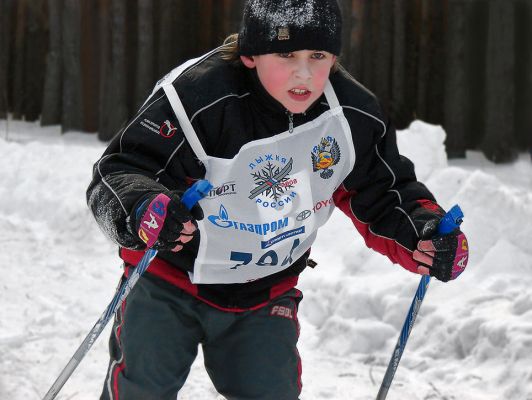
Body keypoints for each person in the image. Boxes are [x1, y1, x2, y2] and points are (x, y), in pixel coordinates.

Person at [87, 0, 469, 399]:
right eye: (286, 54)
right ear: (251, 54)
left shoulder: (350, 115)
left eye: (318, 56)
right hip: (168, 279)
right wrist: (145, 207)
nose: (303, 73)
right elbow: (119, 172)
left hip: (265, 291)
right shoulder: (197, 98)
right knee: (141, 391)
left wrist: (426, 233)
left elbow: (384, 192)